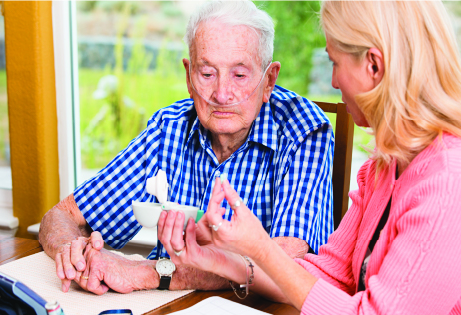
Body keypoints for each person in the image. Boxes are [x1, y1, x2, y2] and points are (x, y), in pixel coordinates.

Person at [158, 1, 461, 315]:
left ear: (374, 66)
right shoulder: (384, 169)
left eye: (335, 63)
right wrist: (221, 260)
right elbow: (326, 275)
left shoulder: (447, 182)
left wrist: (259, 246)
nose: (333, 81)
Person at [38, 1, 335, 295]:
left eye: (239, 75)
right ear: (188, 77)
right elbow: (62, 215)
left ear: (269, 80)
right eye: (207, 74)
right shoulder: (169, 127)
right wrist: (71, 252)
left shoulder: (303, 130)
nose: (221, 94)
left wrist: (150, 273)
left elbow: (289, 262)